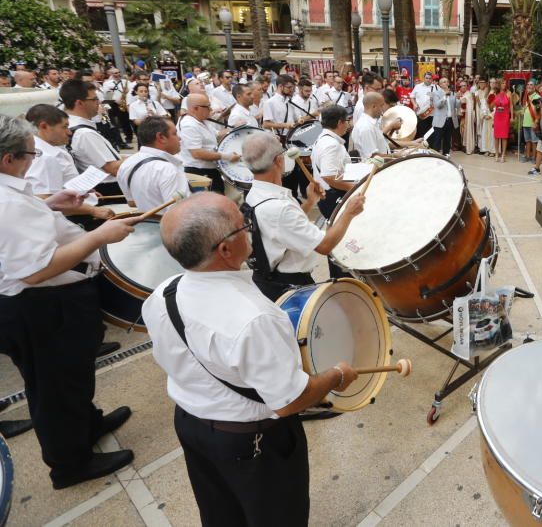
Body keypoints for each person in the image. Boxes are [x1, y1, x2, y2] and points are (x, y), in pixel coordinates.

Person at [143, 193, 361, 526]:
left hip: (190, 424)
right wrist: (336, 375)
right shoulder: (255, 318)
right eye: (243, 226)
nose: (249, 230)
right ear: (225, 250)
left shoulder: (163, 293)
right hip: (251, 442)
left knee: (220, 514)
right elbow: (290, 401)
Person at [0, 115, 137, 488]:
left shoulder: (11, 191)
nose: (34, 159)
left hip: (47, 303)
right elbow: (35, 270)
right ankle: (70, 463)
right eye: (29, 153)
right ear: (7, 159)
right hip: (41, 305)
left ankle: (87, 425)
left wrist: (55, 204)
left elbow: (27, 222)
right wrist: (99, 237)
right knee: (54, 387)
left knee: (71, 378)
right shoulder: (6, 202)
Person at [241, 132, 365, 301]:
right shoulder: (278, 207)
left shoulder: (256, 193)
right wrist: (349, 212)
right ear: (279, 160)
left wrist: (309, 202)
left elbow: (283, 228)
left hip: (271, 280)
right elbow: (325, 245)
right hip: (288, 287)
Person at [24, 104, 113, 224]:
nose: (69, 132)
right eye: (64, 127)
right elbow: (45, 200)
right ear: (44, 127)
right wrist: (93, 210)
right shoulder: (45, 158)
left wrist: (82, 189)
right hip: (76, 218)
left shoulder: (50, 149)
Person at [61, 79, 126, 198]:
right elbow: (113, 168)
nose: (99, 102)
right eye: (94, 99)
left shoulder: (72, 126)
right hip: (109, 190)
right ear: (79, 103)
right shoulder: (84, 133)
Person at [118, 117, 191, 212]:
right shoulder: (168, 169)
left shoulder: (127, 164)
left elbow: (132, 202)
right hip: (167, 225)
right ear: (161, 137)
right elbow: (180, 213)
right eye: (175, 133)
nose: (179, 138)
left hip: (146, 224)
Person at [178, 93, 240, 194]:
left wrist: (234, 128)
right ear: (195, 108)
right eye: (207, 106)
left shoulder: (201, 120)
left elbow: (217, 134)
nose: (211, 109)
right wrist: (226, 156)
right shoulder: (189, 125)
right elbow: (197, 153)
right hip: (199, 173)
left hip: (209, 170)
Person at [311, 105, 353, 219]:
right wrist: (354, 188)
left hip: (327, 195)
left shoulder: (322, 138)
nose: (348, 124)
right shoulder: (331, 144)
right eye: (347, 121)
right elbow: (329, 176)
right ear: (340, 122)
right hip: (333, 196)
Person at [353, 92, 393, 160]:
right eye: (381, 105)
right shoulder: (366, 127)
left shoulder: (371, 123)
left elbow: (382, 145)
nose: (383, 109)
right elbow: (373, 156)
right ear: (374, 106)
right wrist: (395, 156)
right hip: (376, 168)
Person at [430, 77, 458, 156]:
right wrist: (445, 96)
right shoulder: (436, 93)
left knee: (447, 140)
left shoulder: (452, 93)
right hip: (439, 121)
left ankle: (446, 155)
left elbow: (456, 105)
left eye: (447, 81)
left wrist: (458, 98)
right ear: (440, 84)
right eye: (444, 82)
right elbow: (438, 105)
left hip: (449, 120)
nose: (446, 83)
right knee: (437, 140)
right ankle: (436, 156)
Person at [492, 79, 512, 162]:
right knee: (496, 136)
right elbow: (491, 106)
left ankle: (503, 155)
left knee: (504, 137)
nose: (504, 84)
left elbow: (511, 106)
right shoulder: (495, 93)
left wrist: (512, 117)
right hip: (497, 116)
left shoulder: (509, 93)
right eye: (503, 83)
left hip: (505, 115)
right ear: (499, 84)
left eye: (505, 83)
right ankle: (497, 154)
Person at [475, 79, 494, 156]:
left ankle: (492, 150)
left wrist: (490, 114)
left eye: (494, 82)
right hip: (484, 113)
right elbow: (481, 104)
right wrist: (484, 114)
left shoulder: (494, 92)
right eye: (491, 82)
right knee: (484, 132)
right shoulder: (483, 92)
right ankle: (485, 148)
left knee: (491, 133)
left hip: (492, 114)